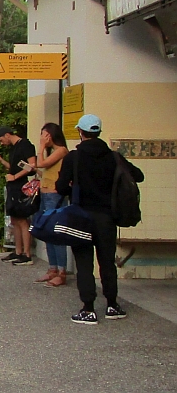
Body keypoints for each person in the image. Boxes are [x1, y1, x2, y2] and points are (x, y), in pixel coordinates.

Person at [55, 114, 144, 324]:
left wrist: (72, 185)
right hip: (107, 218)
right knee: (107, 262)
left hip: (81, 217)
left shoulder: (73, 158)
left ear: (80, 132)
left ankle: (88, 308)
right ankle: (112, 305)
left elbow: (60, 188)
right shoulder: (113, 157)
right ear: (98, 132)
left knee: (84, 263)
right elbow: (138, 175)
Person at [0, 126, 37, 266]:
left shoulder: (26, 145)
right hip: (13, 185)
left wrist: (15, 176)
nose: (1, 143)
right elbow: (13, 167)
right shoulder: (14, 147)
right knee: (14, 219)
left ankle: (27, 254)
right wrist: (2, 161)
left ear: (7, 135)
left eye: (1, 140)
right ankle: (18, 251)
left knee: (22, 220)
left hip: (20, 185)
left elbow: (32, 165)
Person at [34, 123, 69, 287]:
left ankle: (61, 271)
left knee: (56, 233)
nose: (42, 138)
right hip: (46, 193)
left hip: (55, 195)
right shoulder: (52, 153)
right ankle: (52, 268)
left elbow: (41, 163)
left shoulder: (61, 150)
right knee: (47, 232)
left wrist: (41, 147)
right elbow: (44, 170)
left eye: (44, 135)